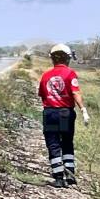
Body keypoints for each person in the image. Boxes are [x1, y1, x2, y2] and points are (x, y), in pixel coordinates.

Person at [38, 44, 90, 188]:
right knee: (67, 143)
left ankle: (58, 177)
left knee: (53, 144)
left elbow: (42, 95)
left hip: (50, 113)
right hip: (66, 112)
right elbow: (75, 93)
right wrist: (83, 110)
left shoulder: (46, 75)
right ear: (67, 58)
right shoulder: (70, 74)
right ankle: (70, 175)